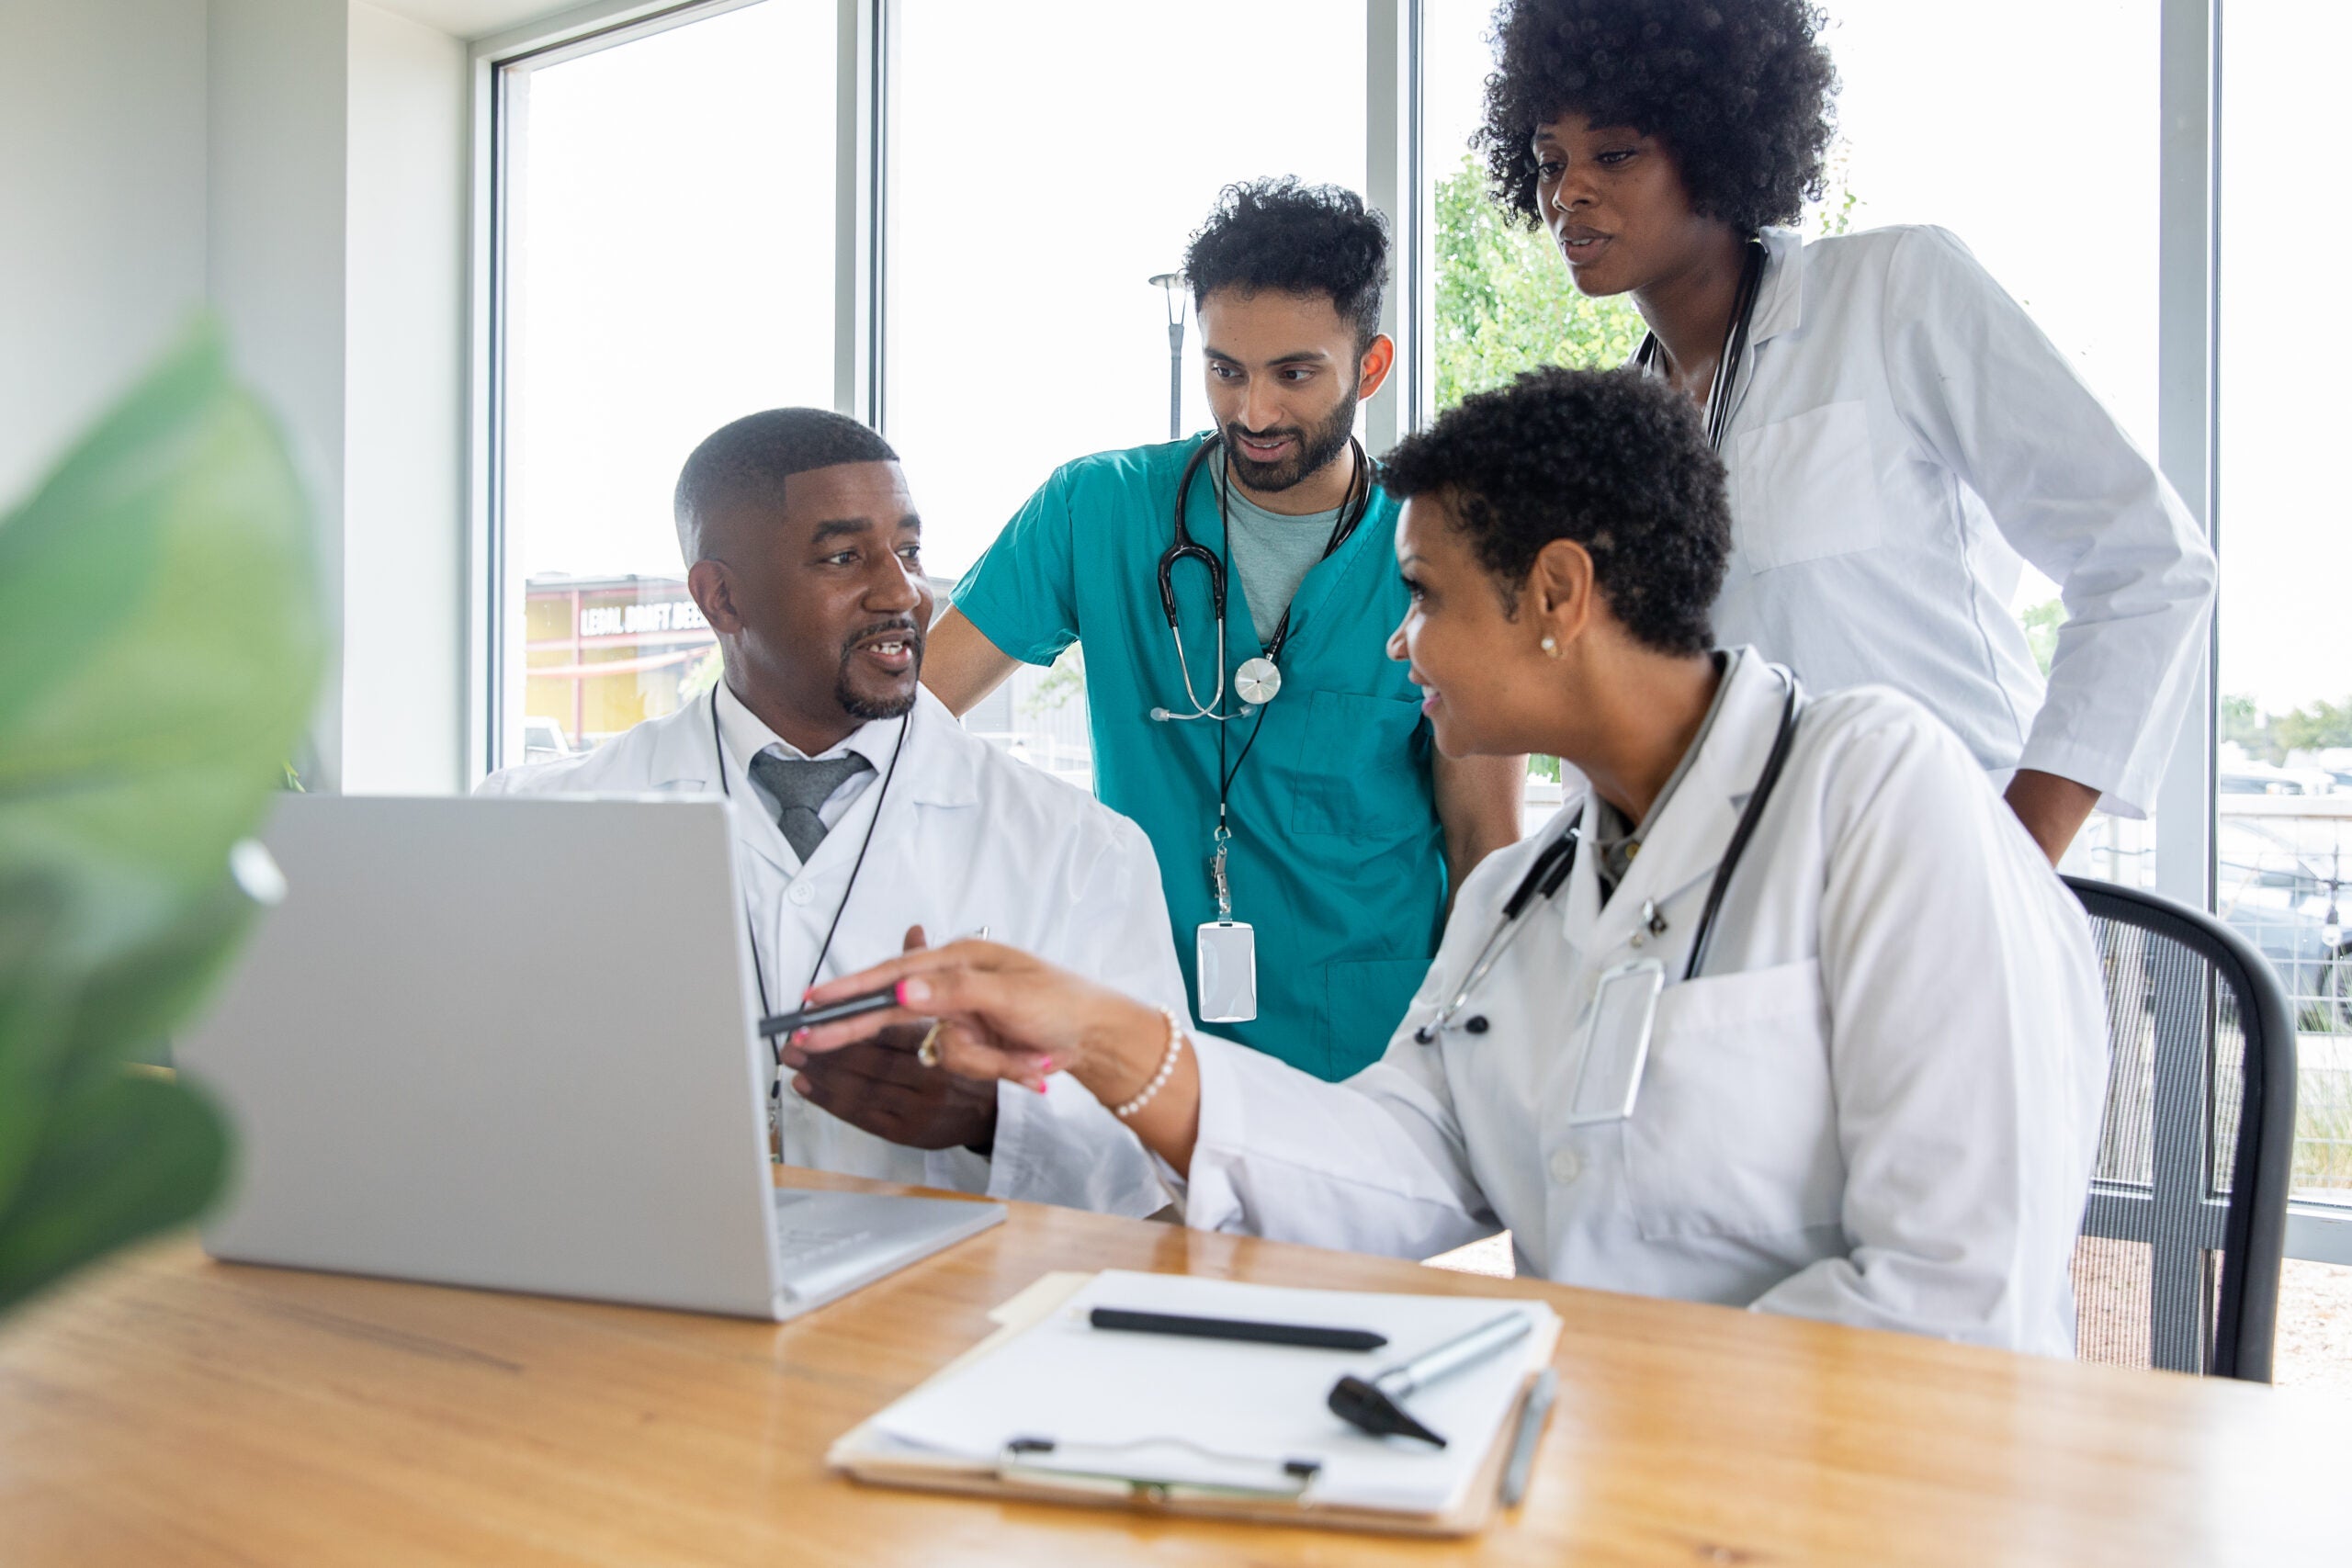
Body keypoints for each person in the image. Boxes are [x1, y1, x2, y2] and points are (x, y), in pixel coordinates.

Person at [794, 369, 2109, 1356]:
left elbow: (1959, 1284)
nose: (1396, 641)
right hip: (1595, 1471)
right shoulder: (1518, 900)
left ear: (1555, 594)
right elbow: (1392, 1166)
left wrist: (1573, 1401)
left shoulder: (1876, 787)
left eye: (1424, 596)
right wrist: (1097, 1032)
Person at [1473, 0, 2214, 863]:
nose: (1570, 191)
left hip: (1942, 885)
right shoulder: (1617, 434)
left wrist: (2015, 861)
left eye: (1616, 152)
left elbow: (2147, 561)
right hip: (1740, 935)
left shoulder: (1894, 293)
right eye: (1548, 160)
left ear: (1717, 146)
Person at [479, 408, 1185, 1218]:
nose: (903, 591)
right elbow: (468, 1102)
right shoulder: (534, 829)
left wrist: (990, 1118)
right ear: (722, 597)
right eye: (844, 556)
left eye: (909, 550)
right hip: (646, 1317)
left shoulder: (1077, 852)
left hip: (950, 1330)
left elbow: (1162, 1161)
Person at [920, 179, 1526, 1080]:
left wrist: (1477, 1068)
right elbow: (906, 722)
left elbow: (1485, 846)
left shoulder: (1451, 545)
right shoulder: (1096, 509)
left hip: (1368, 1050)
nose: (1253, 414)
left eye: (1294, 373)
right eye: (1225, 370)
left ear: (1369, 366)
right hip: (1144, 1038)